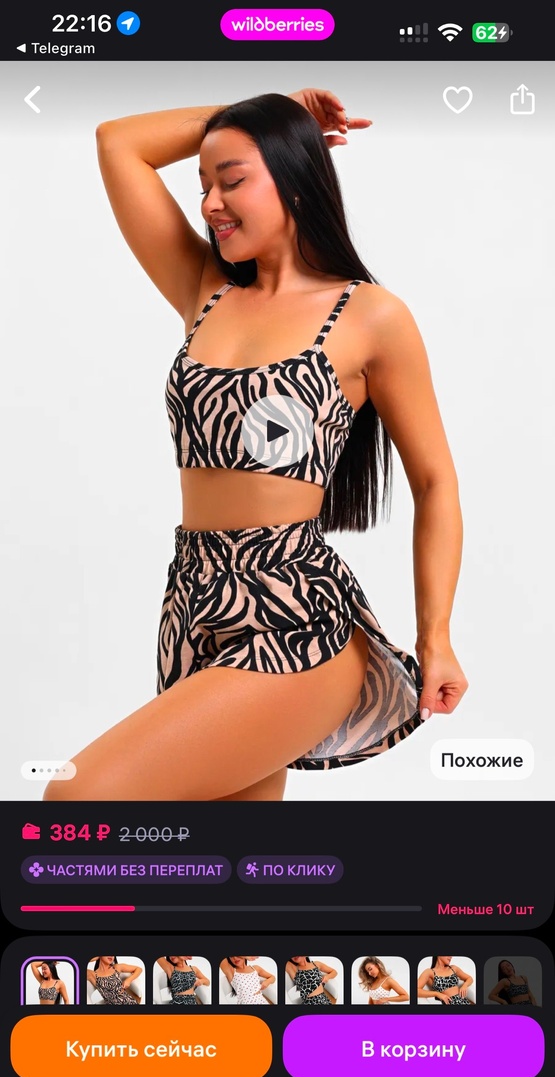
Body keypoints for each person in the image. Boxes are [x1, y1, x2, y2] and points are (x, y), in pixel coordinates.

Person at [43, 87, 467, 801]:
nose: (210, 203)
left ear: (295, 179)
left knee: (81, 798)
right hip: (191, 603)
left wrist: (436, 637)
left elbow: (434, 482)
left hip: (293, 615)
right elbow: (119, 142)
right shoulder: (204, 290)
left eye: (232, 180)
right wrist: (264, 109)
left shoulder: (370, 316)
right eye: (202, 186)